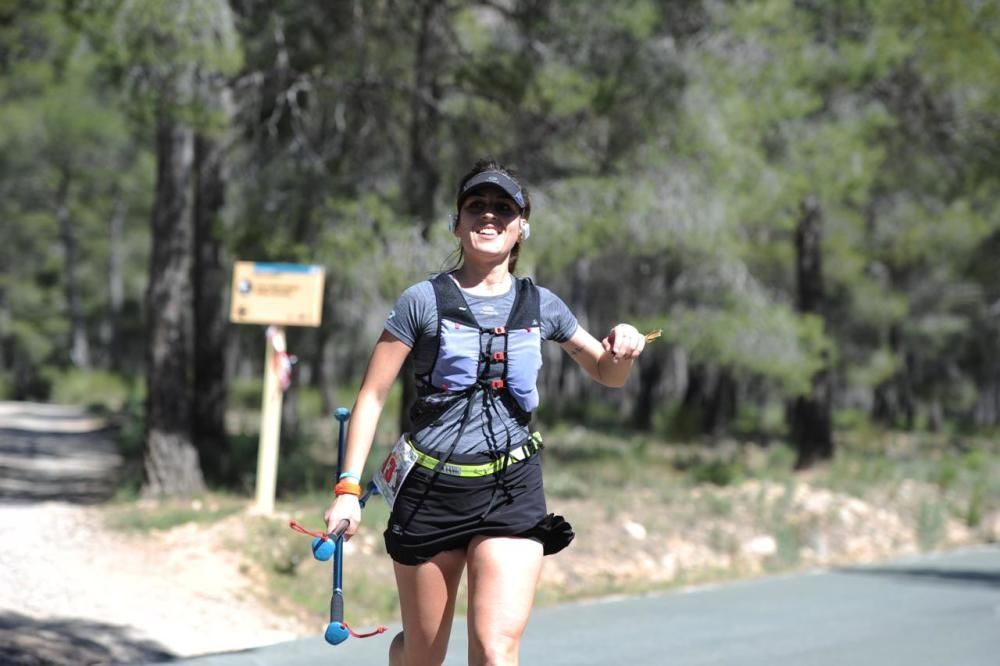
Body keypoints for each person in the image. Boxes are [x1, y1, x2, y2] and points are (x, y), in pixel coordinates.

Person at [324, 158, 647, 666]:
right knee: (423, 655)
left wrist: (624, 347)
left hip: (510, 488)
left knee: (496, 651)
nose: (489, 216)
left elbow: (607, 371)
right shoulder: (422, 301)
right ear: (457, 223)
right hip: (430, 490)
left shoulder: (541, 304)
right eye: (476, 206)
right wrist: (348, 489)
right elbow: (372, 395)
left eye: (503, 208)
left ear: (522, 228)